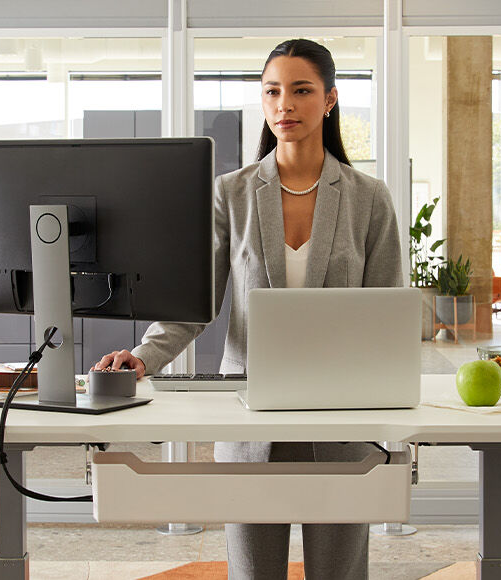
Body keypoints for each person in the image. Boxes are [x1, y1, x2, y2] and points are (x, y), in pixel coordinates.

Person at [94, 39, 402, 580]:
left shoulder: (368, 198)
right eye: (273, 91)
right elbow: (195, 305)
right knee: (254, 572)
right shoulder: (229, 194)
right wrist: (145, 357)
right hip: (251, 413)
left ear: (329, 100)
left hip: (343, 417)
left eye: (301, 90)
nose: (286, 103)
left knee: (341, 572)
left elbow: (388, 317)